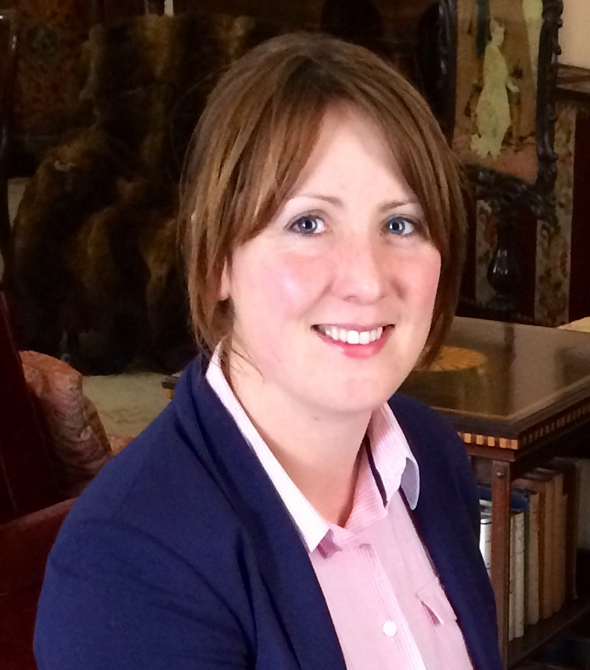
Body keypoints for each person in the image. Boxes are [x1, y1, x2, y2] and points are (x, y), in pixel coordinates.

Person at [34, 32, 502, 670]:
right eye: (308, 223)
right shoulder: (124, 570)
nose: (368, 281)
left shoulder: (433, 457)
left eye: (400, 223)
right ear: (216, 262)